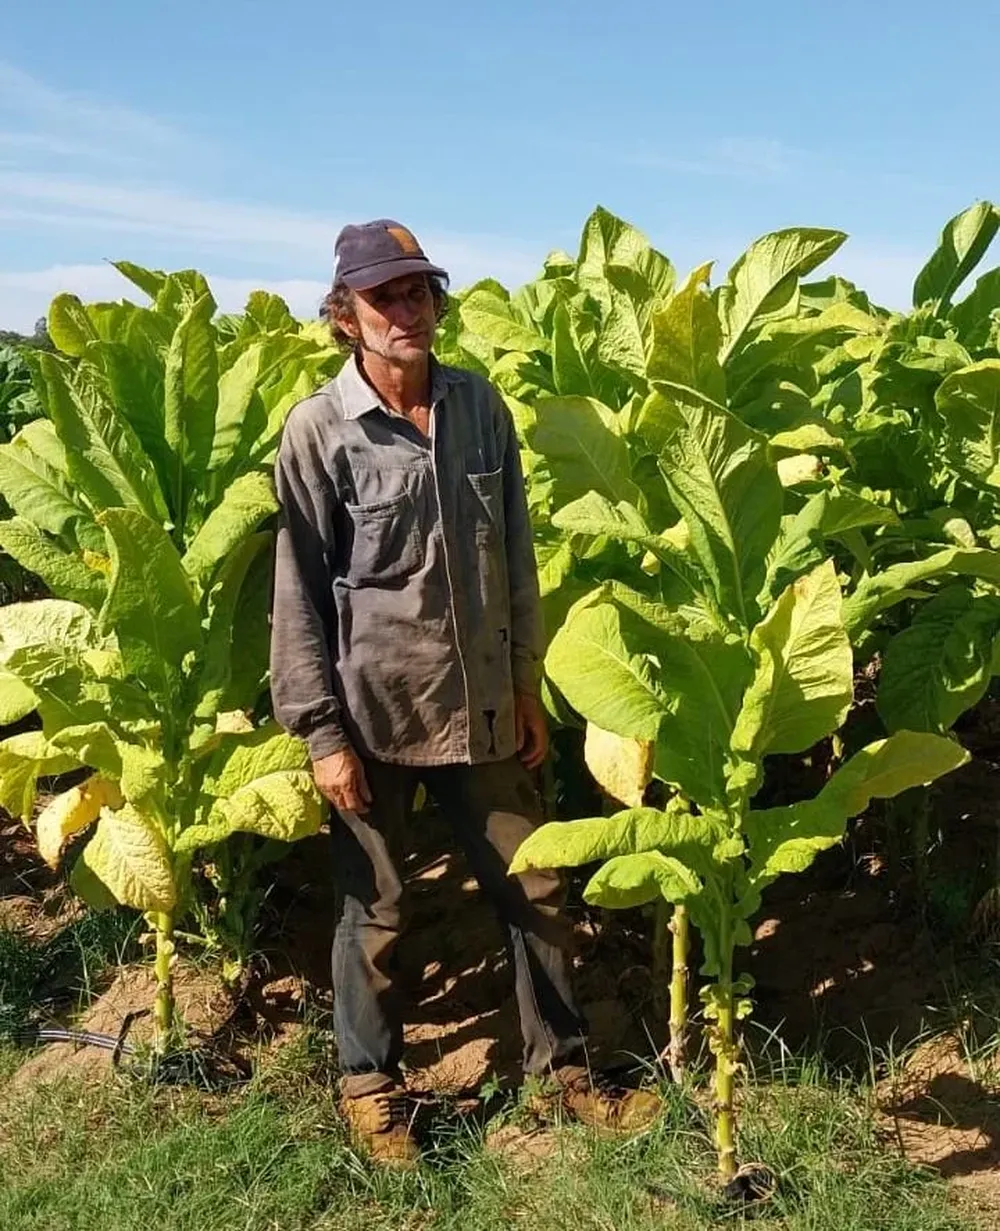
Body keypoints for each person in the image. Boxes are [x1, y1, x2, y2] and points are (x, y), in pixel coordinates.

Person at [270, 219, 659, 1164]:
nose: (406, 312)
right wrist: (321, 733)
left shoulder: (482, 407)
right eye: (383, 298)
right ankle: (371, 1086)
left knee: (538, 885)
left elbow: (516, 557)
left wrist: (527, 682)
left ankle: (563, 1073)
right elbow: (300, 589)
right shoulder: (321, 430)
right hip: (374, 713)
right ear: (344, 316)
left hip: (484, 702)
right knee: (377, 909)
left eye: (418, 292)